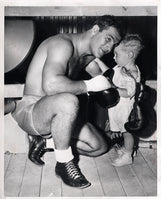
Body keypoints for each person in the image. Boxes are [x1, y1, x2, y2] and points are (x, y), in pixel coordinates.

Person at [11, 15, 123, 188]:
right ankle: (64, 163)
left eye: (114, 44)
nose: (109, 47)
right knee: (69, 100)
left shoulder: (88, 56)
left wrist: (125, 91)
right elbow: (51, 85)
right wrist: (91, 85)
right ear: (95, 29)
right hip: (32, 111)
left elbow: (103, 84)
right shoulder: (62, 44)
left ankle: (44, 142)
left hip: (59, 115)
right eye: (108, 39)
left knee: (100, 146)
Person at [94, 34, 144, 167]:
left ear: (130, 55)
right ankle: (129, 149)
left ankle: (128, 155)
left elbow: (129, 92)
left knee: (127, 132)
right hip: (117, 107)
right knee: (122, 131)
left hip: (125, 109)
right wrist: (98, 61)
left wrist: (113, 87)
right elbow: (109, 73)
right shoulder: (120, 67)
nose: (113, 57)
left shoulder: (131, 73)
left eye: (117, 54)